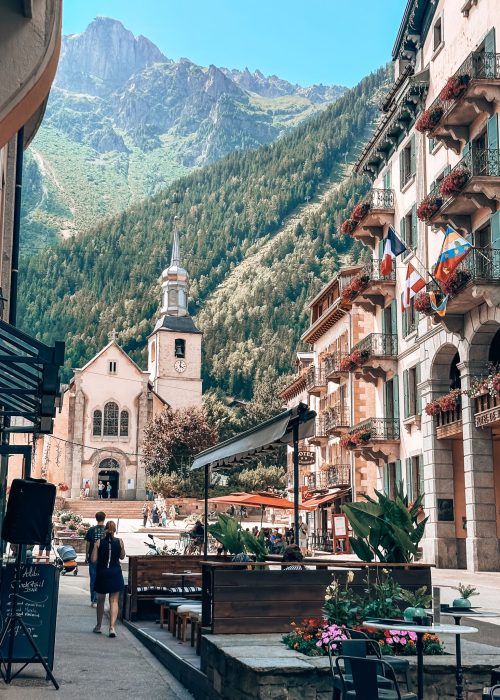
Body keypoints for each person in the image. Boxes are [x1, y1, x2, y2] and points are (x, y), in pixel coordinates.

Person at [92, 521, 125, 638]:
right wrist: (121, 547)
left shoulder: (99, 542)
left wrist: (96, 547)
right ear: (115, 530)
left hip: (103, 572)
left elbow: (94, 559)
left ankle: (98, 626)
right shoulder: (119, 541)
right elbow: (122, 556)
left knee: (100, 600)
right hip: (115, 572)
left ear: (105, 529)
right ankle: (112, 628)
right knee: (114, 601)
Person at [85, 511, 106, 607]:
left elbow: (88, 544)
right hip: (103, 558)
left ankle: (94, 600)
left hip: (93, 557)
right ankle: (101, 599)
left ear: (96, 518)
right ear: (104, 518)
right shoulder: (107, 530)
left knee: (93, 579)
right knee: (102, 579)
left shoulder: (91, 530)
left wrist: (86, 556)